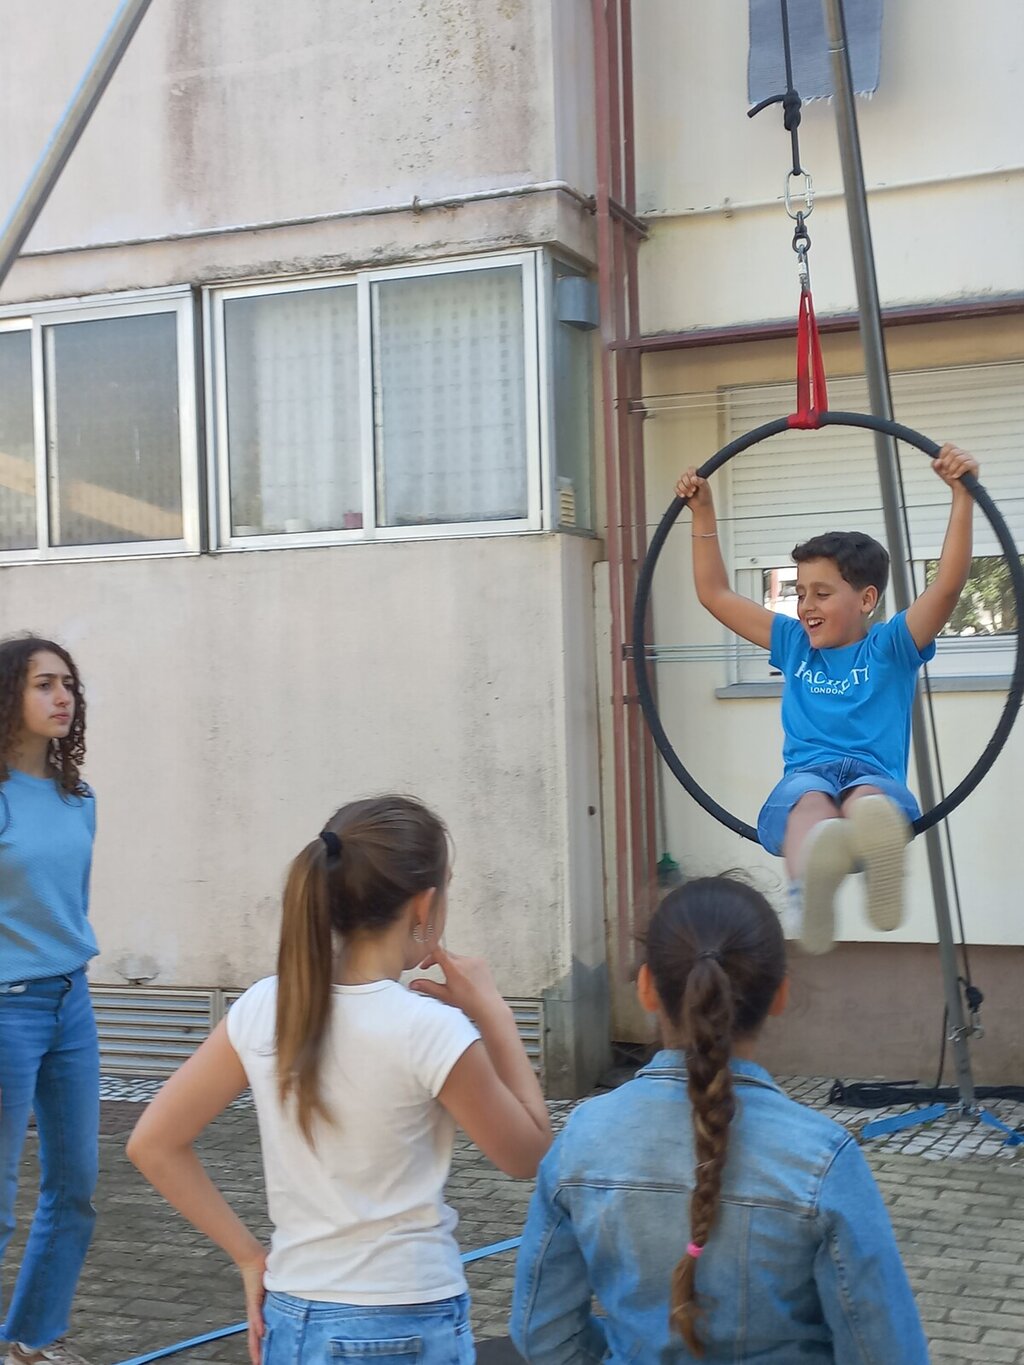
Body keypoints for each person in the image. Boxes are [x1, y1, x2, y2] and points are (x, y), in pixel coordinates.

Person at [128, 794, 551, 1365]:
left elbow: (153, 1143)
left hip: (290, 1316)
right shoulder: (429, 1028)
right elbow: (529, 1155)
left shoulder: (265, 1006)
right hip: (404, 1317)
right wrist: (495, 1016)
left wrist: (249, 1256)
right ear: (425, 905)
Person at [510, 876, 929, 1363]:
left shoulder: (582, 1140)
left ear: (646, 987)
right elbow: (886, 1351)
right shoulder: (823, 1161)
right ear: (780, 993)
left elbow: (542, 1333)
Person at [675, 443, 978, 953]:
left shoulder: (891, 645)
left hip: (843, 773)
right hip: (839, 776)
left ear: (866, 599)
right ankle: (834, 856)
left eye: (821, 593)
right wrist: (702, 513)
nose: (805, 606)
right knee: (832, 803)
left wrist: (961, 497)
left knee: (828, 806)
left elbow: (946, 588)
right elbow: (715, 594)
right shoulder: (794, 641)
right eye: (799, 593)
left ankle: (830, 868)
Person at [0, 637, 100, 1365]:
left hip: (72, 1004)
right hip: (5, 1009)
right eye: (43, 683)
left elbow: (72, 905)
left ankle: (31, 1343)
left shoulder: (78, 798)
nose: (61, 696)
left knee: (75, 1187)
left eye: (67, 683)